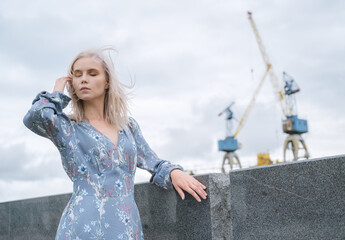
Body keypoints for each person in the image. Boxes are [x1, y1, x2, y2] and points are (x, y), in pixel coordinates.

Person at [23, 48, 207, 239]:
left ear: (107, 82)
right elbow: (35, 117)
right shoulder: (67, 128)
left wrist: (174, 172)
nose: (83, 79)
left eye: (92, 73)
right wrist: (56, 93)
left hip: (125, 225)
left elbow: (153, 162)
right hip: (81, 225)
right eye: (77, 75)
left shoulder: (128, 126)